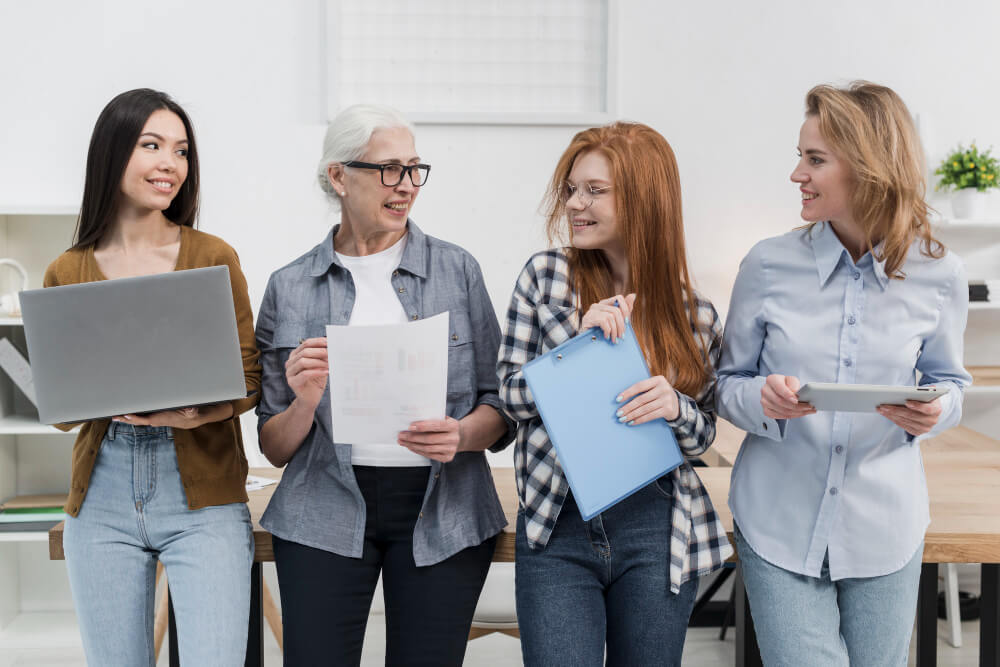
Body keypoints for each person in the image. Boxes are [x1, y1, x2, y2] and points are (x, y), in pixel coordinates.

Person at [717, 81, 973, 666]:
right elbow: (724, 384)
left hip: (886, 526)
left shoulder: (941, 273)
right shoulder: (767, 264)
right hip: (776, 520)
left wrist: (935, 410)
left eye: (814, 160)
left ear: (868, 167)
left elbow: (951, 382)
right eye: (800, 156)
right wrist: (763, 398)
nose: (796, 175)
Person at [255, 104, 513, 666]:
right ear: (339, 177)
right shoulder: (289, 286)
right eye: (388, 170)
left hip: (442, 506)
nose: (406, 186)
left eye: (414, 169)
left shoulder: (457, 270)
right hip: (323, 506)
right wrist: (304, 401)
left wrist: (462, 435)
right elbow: (272, 447)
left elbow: (502, 404)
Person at [496, 121, 732, 666]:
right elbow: (508, 399)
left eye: (594, 191)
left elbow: (703, 438)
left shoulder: (694, 314)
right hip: (558, 521)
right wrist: (572, 346)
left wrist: (675, 407)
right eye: (573, 189)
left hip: (655, 525)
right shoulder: (545, 278)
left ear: (645, 200)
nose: (576, 204)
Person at [45, 88, 261, 665]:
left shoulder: (212, 256)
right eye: (152, 145)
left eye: (182, 151)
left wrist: (186, 412)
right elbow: (62, 410)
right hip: (102, 496)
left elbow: (248, 378)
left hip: (203, 496)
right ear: (112, 153)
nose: (170, 163)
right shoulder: (68, 269)